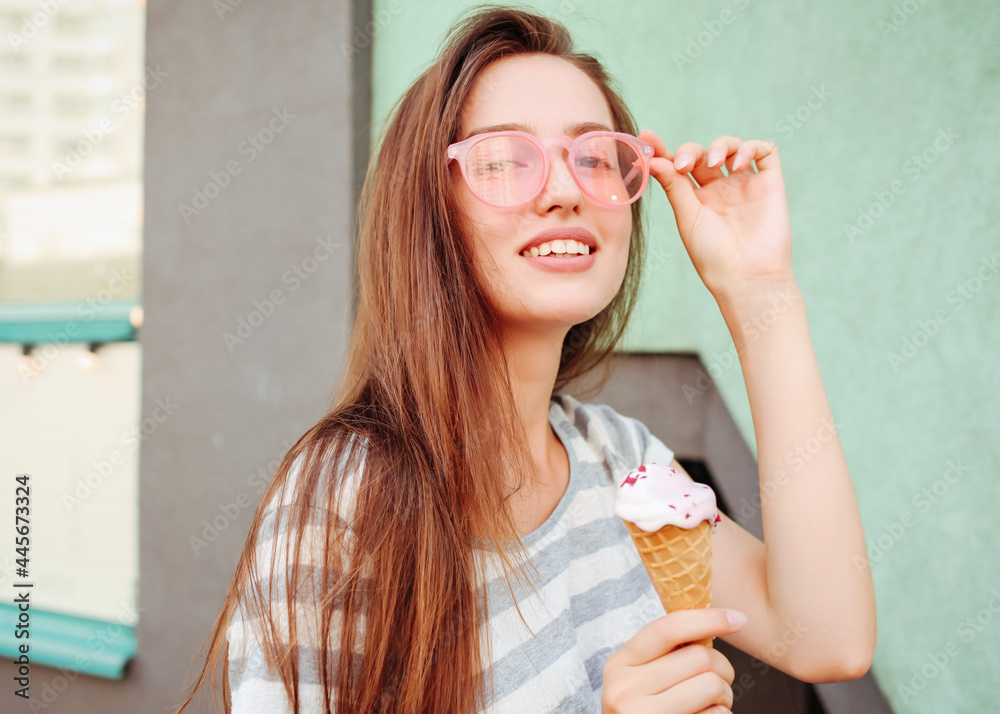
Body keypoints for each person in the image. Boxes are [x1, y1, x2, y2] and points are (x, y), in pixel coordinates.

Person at [175, 6, 876, 713]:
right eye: (505, 159)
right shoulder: (342, 499)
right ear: (431, 211)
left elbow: (828, 640)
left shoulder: (625, 463)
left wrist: (761, 293)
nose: (566, 190)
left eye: (594, 157)